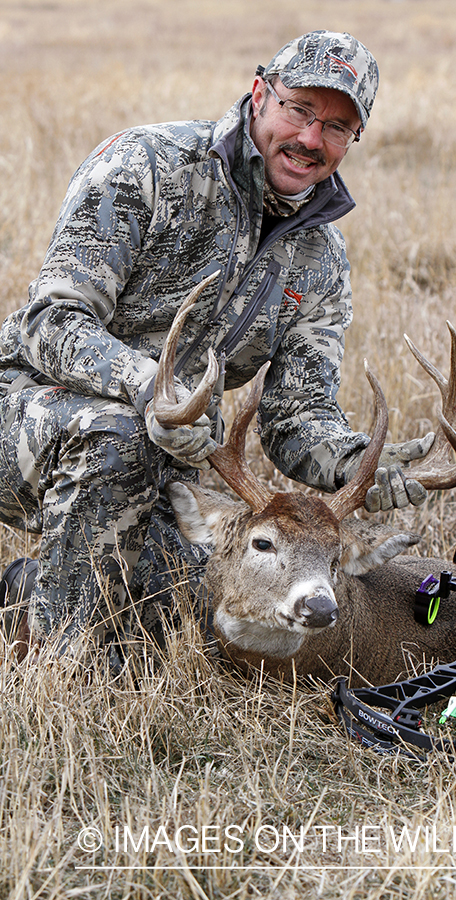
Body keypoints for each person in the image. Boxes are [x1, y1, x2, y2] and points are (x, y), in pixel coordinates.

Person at [0, 31, 433, 665]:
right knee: (120, 437)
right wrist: (153, 389)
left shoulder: (320, 258)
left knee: (197, 593)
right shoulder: (147, 165)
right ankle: (69, 669)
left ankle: (26, 595)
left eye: (336, 127)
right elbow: (53, 322)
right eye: (299, 110)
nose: (311, 139)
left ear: (351, 141)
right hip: (26, 410)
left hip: (165, 454)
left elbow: (297, 418)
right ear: (261, 94)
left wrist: (354, 464)